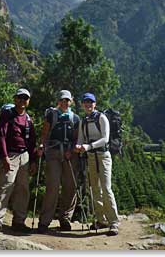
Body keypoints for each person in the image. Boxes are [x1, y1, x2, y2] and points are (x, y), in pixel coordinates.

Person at [0, 88, 36, 234]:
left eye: (25, 98)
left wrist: (33, 161)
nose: (22, 100)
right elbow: (1, 135)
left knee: (23, 189)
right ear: (15, 99)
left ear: (28, 101)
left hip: (24, 156)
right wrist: (5, 156)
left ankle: (19, 221)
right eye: (20, 98)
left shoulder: (28, 119)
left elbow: (32, 141)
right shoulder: (7, 115)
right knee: (5, 186)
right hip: (10, 155)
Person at [75, 92, 119, 236]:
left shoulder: (102, 118)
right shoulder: (83, 121)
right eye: (85, 102)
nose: (88, 105)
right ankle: (101, 220)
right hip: (91, 157)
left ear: (95, 104)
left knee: (106, 188)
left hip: (103, 156)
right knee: (95, 189)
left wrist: (88, 147)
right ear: (82, 104)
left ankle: (113, 222)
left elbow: (105, 139)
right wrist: (78, 146)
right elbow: (81, 138)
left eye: (90, 102)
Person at [37, 90, 80, 233]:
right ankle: (44, 221)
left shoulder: (75, 118)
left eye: (67, 100)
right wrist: (42, 145)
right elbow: (44, 132)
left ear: (71, 101)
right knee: (53, 186)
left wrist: (72, 149)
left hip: (69, 154)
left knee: (70, 186)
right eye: (63, 100)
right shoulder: (51, 114)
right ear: (59, 101)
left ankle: (65, 218)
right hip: (54, 152)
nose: (65, 102)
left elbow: (76, 138)